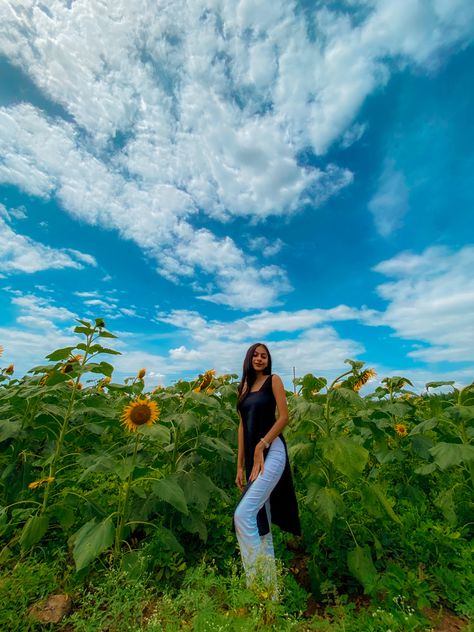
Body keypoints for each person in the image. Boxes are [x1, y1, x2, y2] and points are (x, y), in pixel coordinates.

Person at [234, 343, 300, 597]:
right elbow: (241, 427)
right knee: (262, 522)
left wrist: (262, 445)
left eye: (264, 355)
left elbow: (284, 417)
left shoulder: (274, 381)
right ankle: (271, 595)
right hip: (253, 458)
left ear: (268, 360)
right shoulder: (242, 389)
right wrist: (240, 465)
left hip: (272, 452)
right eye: (256, 355)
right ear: (248, 358)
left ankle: (257, 588)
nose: (260, 358)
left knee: (243, 514)